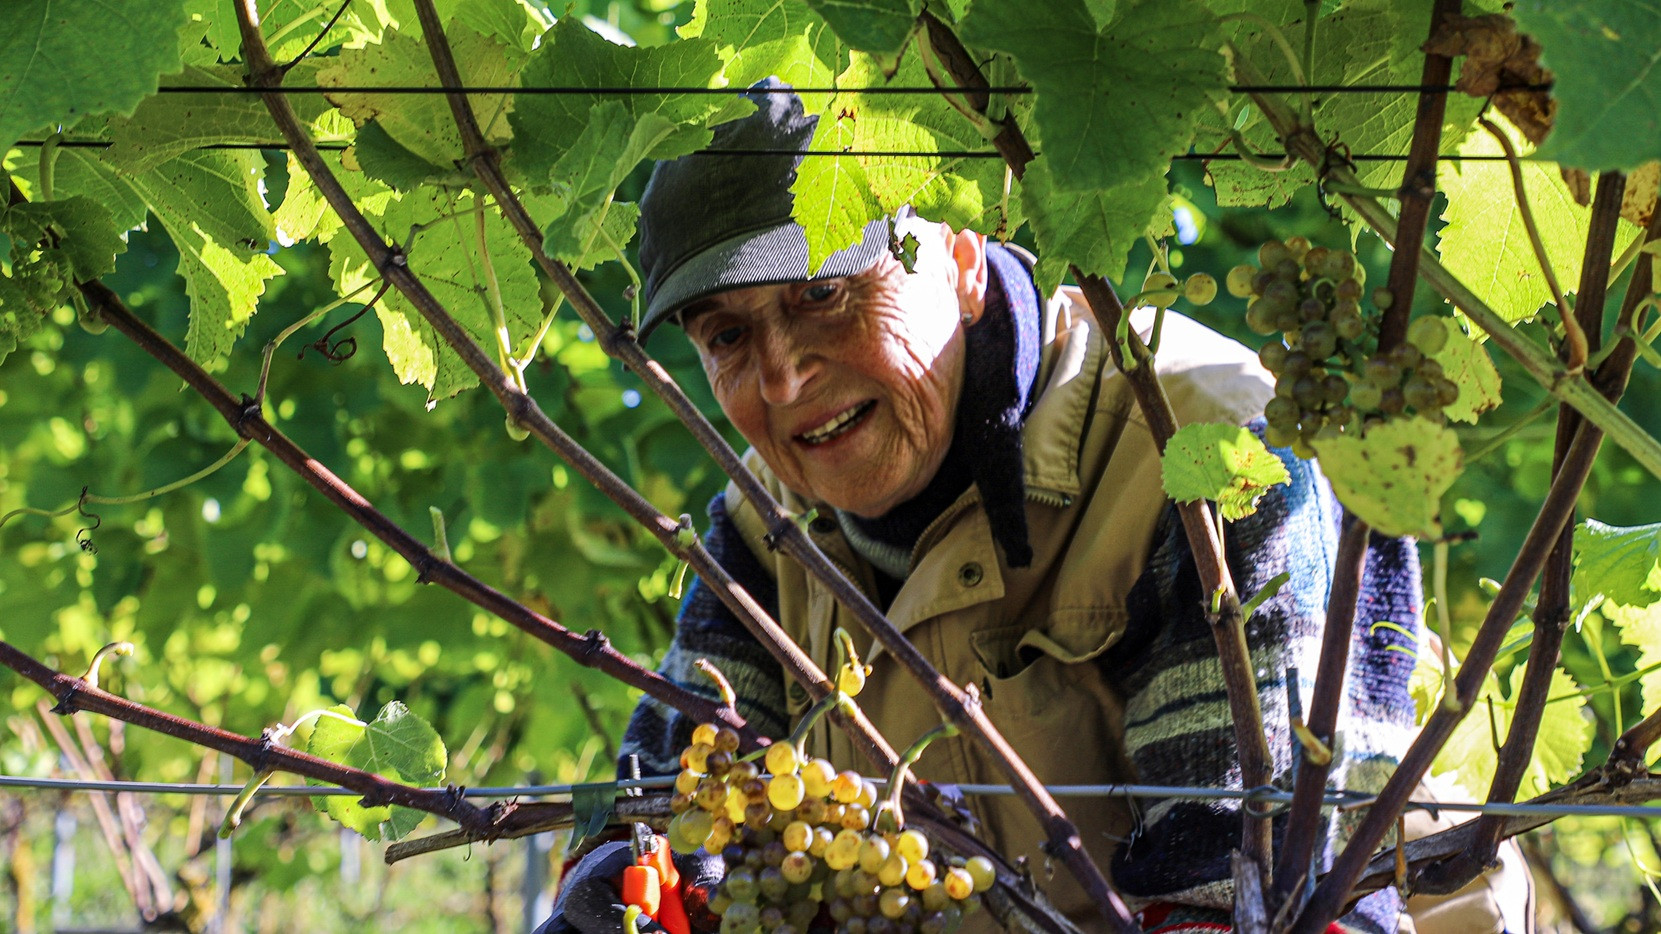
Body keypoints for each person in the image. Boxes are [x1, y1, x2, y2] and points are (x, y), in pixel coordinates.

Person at [544, 80, 1529, 934]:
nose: (784, 375)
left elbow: (1244, 876)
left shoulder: (1209, 450)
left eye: (822, 294)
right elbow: (665, 795)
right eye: (725, 336)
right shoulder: (764, 530)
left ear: (962, 258)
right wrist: (617, 874)